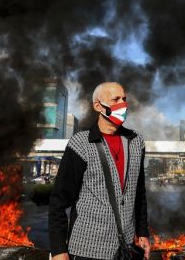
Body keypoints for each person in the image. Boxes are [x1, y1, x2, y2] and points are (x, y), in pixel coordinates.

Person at [49, 82, 150, 260]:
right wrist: (58, 250)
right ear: (98, 106)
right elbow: (59, 200)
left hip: (126, 249)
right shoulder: (80, 143)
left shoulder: (136, 142)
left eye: (124, 99)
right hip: (86, 250)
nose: (123, 104)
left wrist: (143, 233)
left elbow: (139, 193)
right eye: (116, 99)